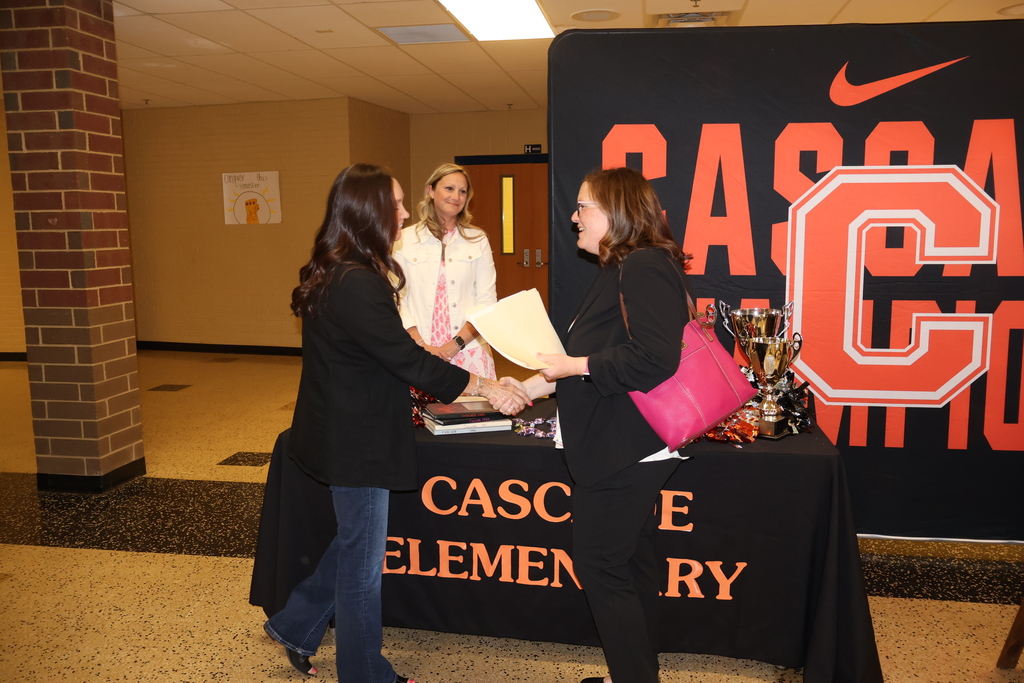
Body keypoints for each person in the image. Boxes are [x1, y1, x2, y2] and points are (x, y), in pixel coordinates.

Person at [263, 163, 527, 682]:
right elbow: (409, 360)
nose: (405, 213)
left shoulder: (336, 267)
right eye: (398, 204)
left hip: (343, 428)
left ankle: (295, 624)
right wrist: (486, 387)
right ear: (369, 211)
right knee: (363, 565)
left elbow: (390, 355)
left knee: (353, 542)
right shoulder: (357, 282)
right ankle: (364, 673)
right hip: (356, 440)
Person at [508, 167, 690, 683]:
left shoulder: (643, 266)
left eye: (583, 206)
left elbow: (656, 359)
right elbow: (595, 356)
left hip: (624, 448)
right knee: (628, 563)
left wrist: (573, 368)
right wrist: (535, 386)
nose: (574, 217)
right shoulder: (618, 268)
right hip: (620, 443)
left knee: (600, 565)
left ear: (615, 211)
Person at [392, 163, 498, 381]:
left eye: (462, 191)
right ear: (431, 191)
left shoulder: (477, 240)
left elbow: (487, 302)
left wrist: (455, 345)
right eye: (449, 188)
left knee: (476, 413)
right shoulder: (405, 239)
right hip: (418, 349)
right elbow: (397, 297)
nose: (456, 196)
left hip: (468, 349)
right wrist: (421, 344)